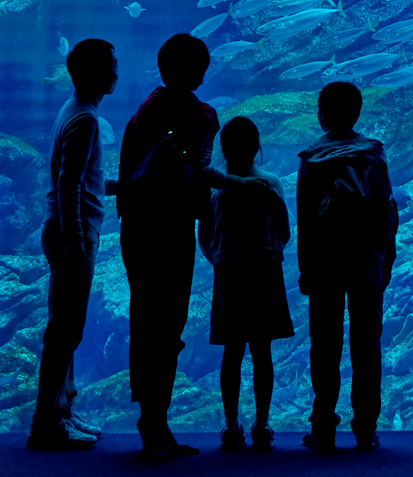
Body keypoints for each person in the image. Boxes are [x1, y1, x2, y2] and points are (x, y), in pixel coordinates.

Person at [116, 33, 270, 458]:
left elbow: (129, 175)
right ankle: (157, 424)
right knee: (168, 325)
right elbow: (201, 171)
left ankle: (151, 421)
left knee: (145, 321)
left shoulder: (142, 112)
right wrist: (243, 183)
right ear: (198, 71)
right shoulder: (200, 115)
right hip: (171, 231)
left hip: (136, 231)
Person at [297, 81, 399, 453]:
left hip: (324, 261)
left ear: (321, 114)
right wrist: (385, 260)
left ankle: (323, 426)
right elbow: (389, 212)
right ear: (357, 114)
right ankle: (366, 427)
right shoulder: (374, 154)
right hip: (366, 259)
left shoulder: (311, 160)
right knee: (366, 343)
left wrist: (305, 269)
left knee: (324, 344)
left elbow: (305, 222)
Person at [27, 38, 117, 451]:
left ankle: (62, 408)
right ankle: (47, 420)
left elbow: (82, 178)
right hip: (73, 231)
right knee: (65, 329)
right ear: (98, 73)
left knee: (67, 325)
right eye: (112, 66)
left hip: (66, 227)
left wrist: (118, 186)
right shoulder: (85, 119)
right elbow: (68, 184)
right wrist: (76, 240)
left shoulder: (76, 110)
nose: (117, 73)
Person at [199, 116, 293, 452]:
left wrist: (223, 258)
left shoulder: (216, 190)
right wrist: (270, 251)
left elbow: (205, 238)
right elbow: (284, 230)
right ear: (257, 148)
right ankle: (262, 422)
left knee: (232, 351)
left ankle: (230, 424)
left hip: (228, 274)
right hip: (265, 270)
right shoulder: (270, 183)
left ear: (222, 149)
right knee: (262, 351)